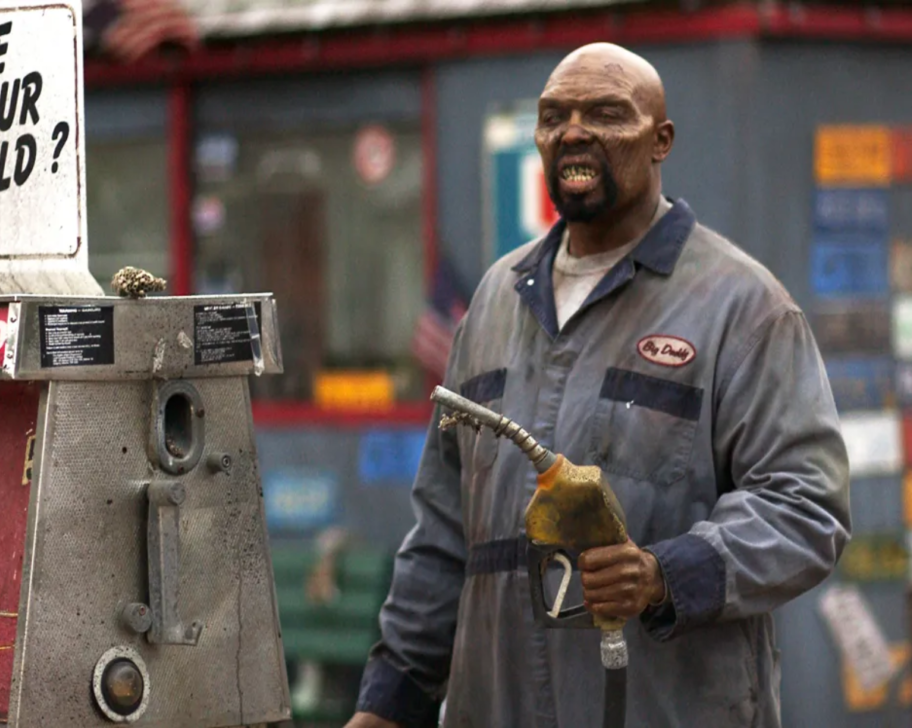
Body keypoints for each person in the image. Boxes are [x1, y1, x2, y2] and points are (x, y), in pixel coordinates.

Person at [345, 42, 851, 728]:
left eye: (607, 114)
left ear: (660, 141)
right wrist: (389, 703)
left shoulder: (742, 307)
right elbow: (443, 536)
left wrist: (664, 573)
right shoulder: (495, 301)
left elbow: (805, 506)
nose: (574, 132)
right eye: (554, 117)